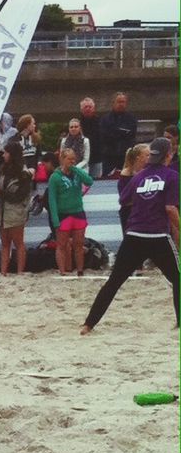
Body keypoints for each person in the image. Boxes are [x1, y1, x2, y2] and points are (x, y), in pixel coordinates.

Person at [81, 138, 179, 333]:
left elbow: (124, 200)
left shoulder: (139, 176)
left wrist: (143, 202)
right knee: (177, 279)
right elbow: (170, 208)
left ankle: (89, 324)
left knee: (115, 281)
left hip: (133, 235)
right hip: (157, 236)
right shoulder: (172, 176)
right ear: (169, 154)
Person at [47, 147, 95, 276]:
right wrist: (55, 219)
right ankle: (63, 270)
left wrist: (76, 170)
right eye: (69, 159)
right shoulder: (55, 177)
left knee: (79, 244)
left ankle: (80, 270)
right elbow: (52, 199)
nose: (72, 161)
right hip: (63, 214)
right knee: (62, 245)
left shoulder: (77, 173)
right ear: (62, 159)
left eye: (74, 159)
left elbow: (89, 181)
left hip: (78, 212)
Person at [0, 142, 32, 276]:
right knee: (5, 243)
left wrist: (1, 193)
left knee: (18, 242)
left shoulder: (24, 174)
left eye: (6, 153)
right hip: (3, 211)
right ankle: (3, 271)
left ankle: (20, 271)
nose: (3, 155)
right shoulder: (3, 169)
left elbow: (19, 196)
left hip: (16, 211)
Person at [99, 92, 138, 176]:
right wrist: (122, 132)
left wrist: (115, 131)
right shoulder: (105, 119)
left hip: (126, 156)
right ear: (113, 103)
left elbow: (131, 135)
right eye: (119, 102)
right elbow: (104, 136)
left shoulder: (131, 118)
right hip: (109, 156)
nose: (121, 104)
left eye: (123, 102)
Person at [118, 144, 152, 235]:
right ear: (138, 158)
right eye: (147, 155)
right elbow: (124, 199)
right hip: (130, 212)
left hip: (146, 211)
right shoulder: (126, 174)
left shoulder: (150, 171)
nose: (150, 157)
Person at [77, 98, 102, 178]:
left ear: (94, 109)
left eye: (90, 107)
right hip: (81, 160)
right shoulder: (77, 123)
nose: (88, 109)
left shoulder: (100, 122)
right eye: (85, 107)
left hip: (96, 158)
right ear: (81, 109)